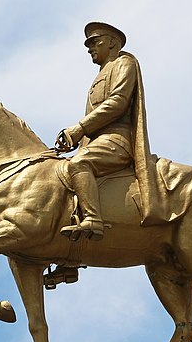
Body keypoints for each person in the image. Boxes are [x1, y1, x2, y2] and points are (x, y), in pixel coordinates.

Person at [56, 22, 142, 241]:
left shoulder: (123, 63)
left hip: (117, 140)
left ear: (112, 42)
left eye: (95, 42)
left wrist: (79, 129)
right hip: (96, 143)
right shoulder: (101, 74)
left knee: (79, 164)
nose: (90, 48)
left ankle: (93, 220)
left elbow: (117, 103)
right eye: (89, 44)